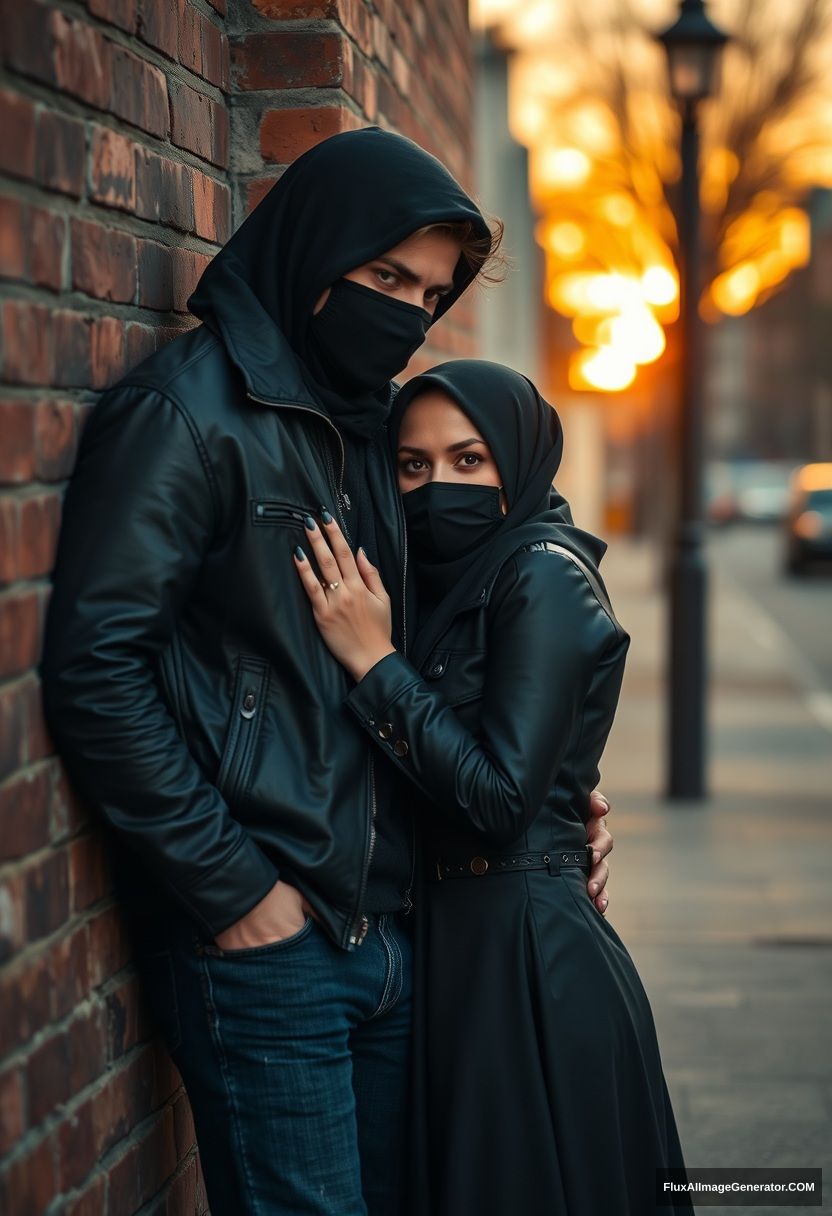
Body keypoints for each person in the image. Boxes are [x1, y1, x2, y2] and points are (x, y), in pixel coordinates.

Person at [40, 129, 614, 1216]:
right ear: (315, 249)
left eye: (429, 293)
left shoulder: (367, 434)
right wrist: (237, 893)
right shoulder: (187, 416)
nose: (405, 311)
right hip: (270, 944)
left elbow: (417, 656)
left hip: (393, 938)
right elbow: (95, 671)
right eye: (386, 275)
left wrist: (549, 791)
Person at [293, 359, 695, 1216]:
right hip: (456, 948)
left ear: (519, 459)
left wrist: (375, 663)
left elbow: (500, 799)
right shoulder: (439, 585)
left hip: (525, 963)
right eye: (414, 465)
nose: (439, 485)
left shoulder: (540, 573)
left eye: (469, 460)